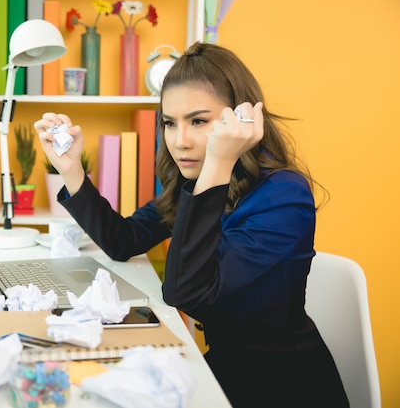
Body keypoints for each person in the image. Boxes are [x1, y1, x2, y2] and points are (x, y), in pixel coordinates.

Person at [34, 42, 348, 408]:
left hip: (283, 387)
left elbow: (185, 292)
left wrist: (217, 162)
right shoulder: (196, 182)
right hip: (222, 372)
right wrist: (71, 170)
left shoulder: (284, 196)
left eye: (198, 121)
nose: (179, 141)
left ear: (240, 120)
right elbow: (123, 240)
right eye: (169, 123)